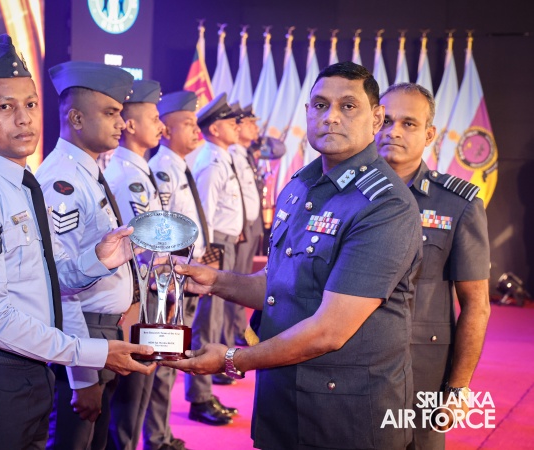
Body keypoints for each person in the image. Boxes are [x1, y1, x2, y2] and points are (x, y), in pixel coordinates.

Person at [164, 62, 423, 449]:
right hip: (282, 402)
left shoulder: (384, 205)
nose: (330, 117)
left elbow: (330, 330)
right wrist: (215, 281)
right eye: (320, 105)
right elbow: (279, 286)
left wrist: (233, 359)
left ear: (376, 118)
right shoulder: (301, 185)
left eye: (348, 106)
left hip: (345, 417)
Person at [0, 35, 155, 449]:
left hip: (27, 369)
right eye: (5, 107)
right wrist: (90, 354)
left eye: (30, 105)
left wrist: (97, 260)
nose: (24, 119)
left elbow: (42, 284)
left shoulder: (20, 182)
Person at [376, 83, 491, 449]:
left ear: (429, 135)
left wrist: (458, 388)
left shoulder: (458, 203)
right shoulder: (345, 193)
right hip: (344, 366)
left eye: (408, 123)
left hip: (420, 369)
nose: (393, 131)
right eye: (386, 120)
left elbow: (476, 304)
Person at [37, 61, 137, 450]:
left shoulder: (86, 171)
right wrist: (83, 378)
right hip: (82, 336)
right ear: (76, 118)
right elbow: (60, 286)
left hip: (101, 331)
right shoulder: (61, 181)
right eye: (111, 113)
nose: (121, 123)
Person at [104, 80, 166, 450]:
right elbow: (141, 241)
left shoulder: (137, 170)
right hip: (137, 293)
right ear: (130, 125)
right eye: (154, 118)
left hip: (148, 289)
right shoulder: (127, 175)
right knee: (130, 392)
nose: (161, 126)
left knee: (142, 386)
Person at [145, 90, 205, 450]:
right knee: (165, 360)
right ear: (166, 130)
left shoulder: (179, 165)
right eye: (187, 124)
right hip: (169, 280)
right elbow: (163, 232)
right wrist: (169, 285)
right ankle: (156, 437)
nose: (197, 131)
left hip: (185, 274)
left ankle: (161, 433)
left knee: (173, 357)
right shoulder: (163, 170)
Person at [182, 93, 243, 426]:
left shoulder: (222, 157)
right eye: (231, 122)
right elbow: (203, 216)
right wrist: (209, 258)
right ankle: (199, 396)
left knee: (216, 321)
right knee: (206, 322)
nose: (237, 126)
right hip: (214, 245)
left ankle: (207, 388)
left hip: (225, 243)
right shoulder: (210, 161)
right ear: (216, 129)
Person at [224, 104, 264, 349]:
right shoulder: (231, 155)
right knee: (236, 280)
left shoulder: (246, 154)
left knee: (243, 277)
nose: (255, 128)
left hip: (250, 223)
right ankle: (233, 331)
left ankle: (237, 329)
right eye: (249, 123)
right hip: (238, 226)